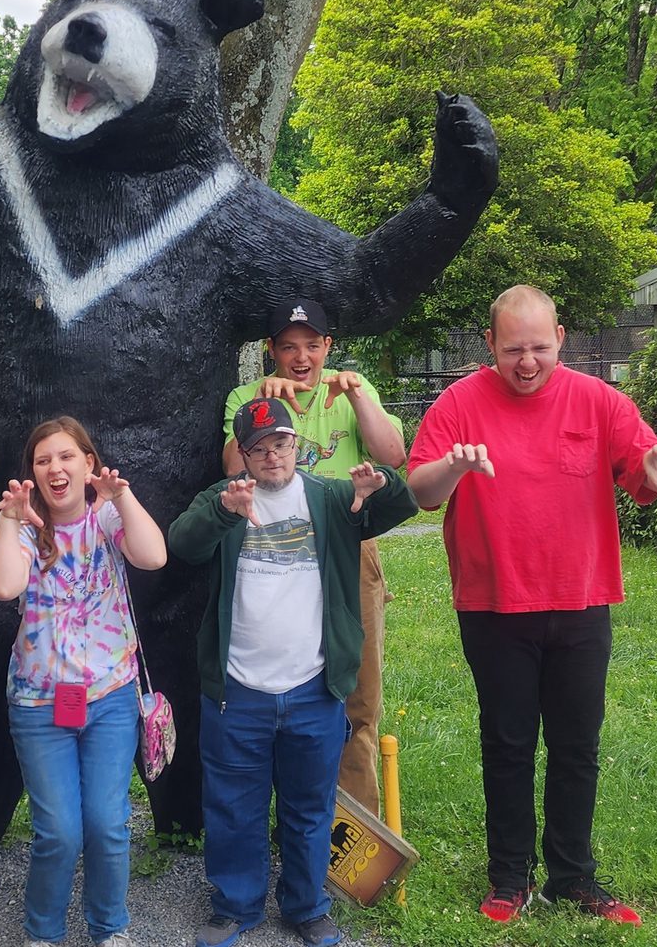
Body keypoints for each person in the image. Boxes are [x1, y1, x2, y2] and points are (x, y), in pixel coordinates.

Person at [407, 285, 657, 927]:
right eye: (513, 350)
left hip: (581, 598)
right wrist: (453, 467)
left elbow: (651, 477)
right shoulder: (460, 402)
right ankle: (509, 876)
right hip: (493, 602)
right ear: (491, 345)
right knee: (507, 742)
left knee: (576, 745)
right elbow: (421, 489)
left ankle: (572, 876)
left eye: (540, 347)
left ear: (561, 339)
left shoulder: (600, 402)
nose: (528, 361)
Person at [173, 397, 417, 947]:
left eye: (280, 444)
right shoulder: (226, 497)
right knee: (234, 805)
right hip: (238, 689)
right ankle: (235, 904)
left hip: (313, 687)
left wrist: (378, 485)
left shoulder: (330, 495)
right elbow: (182, 545)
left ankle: (307, 905)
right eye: (258, 449)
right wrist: (222, 512)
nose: (272, 457)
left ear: (295, 445)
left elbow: (401, 506)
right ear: (242, 454)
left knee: (310, 806)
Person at [0, 417, 167, 947]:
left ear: (88, 463)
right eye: (43, 460)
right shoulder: (25, 528)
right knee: (59, 831)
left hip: (110, 696)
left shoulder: (107, 518)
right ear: (33, 474)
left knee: (108, 825)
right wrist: (9, 520)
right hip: (41, 704)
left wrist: (122, 498)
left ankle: (109, 928)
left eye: (66, 456)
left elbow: (153, 555)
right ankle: (42, 932)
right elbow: (3, 586)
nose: (54, 468)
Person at [223, 298, 406, 813]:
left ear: (327, 346)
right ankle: (296, 814)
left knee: (358, 691)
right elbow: (231, 472)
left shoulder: (350, 390)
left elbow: (394, 458)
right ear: (271, 350)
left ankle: (354, 829)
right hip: (268, 552)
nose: (300, 357)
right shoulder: (246, 395)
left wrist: (358, 395)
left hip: (347, 548)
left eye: (311, 345)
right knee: (279, 685)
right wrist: (260, 405)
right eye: (288, 346)